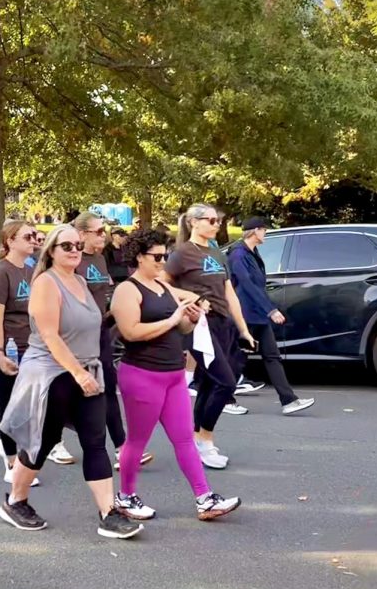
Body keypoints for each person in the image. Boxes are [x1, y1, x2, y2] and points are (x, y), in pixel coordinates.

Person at [0, 225, 142, 539]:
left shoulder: (79, 280)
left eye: (78, 245)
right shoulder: (46, 283)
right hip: (53, 373)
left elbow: (90, 324)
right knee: (44, 441)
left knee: (95, 440)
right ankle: (15, 500)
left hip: (86, 370)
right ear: (51, 251)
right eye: (66, 246)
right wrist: (77, 373)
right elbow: (49, 335)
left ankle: (108, 513)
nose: (75, 250)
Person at [111, 228, 241, 521]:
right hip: (142, 374)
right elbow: (131, 332)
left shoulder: (163, 286)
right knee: (137, 441)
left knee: (183, 439)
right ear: (139, 257)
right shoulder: (126, 290)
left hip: (172, 374)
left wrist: (189, 321)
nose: (162, 261)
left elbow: (179, 328)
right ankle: (126, 496)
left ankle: (204, 498)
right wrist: (172, 320)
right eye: (156, 256)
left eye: (165, 255)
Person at [164, 204, 257, 470]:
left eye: (219, 220)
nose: (217, 224)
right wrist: (190, 298)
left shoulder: (217, 253)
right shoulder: (181, 254)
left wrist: (243, 329)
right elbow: (161, 284)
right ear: (194, 223)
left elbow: (230, 293)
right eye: (212, 220)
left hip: (223, 323)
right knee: (226, 383)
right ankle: (205, 440)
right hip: (199, 326)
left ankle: (197, 439)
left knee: (208, 384)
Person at [72, 211, 139, 466]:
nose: (105, 236)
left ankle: (122, 447)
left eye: (105, 231)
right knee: (69, 392)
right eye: (99, 232)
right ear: (82, 234)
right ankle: (50, 441)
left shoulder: (100, 259)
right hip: (76, 336)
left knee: (108, 386)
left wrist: (116, 313)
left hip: (99, 331)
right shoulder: (73, 260)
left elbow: (103, 297)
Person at [228, 217, 314, 414]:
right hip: (245, 314)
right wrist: (271, 309)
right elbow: (247, 284)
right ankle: (225, 400)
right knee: (238, 359)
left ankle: (289, 400)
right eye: (264, 230)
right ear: (255, 231)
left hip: (257, 314)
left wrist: (266, 310)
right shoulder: (238, 254)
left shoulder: (252, 252)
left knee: (272, 356)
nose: (265, 233)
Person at [0, 220, 42, 484]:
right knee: (9, 404)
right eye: (28, 236)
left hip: (29, 346)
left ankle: (23, 457)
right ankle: (10, 460)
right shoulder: (0, 272)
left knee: (28, 406)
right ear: (10, 241)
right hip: (3, 348)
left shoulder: (31, 271)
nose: (34, 240)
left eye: (35, 236)